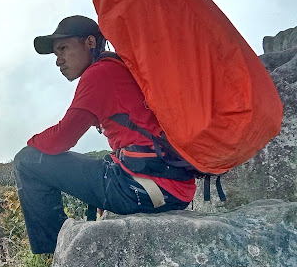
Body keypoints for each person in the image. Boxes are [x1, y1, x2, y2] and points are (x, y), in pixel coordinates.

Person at [13, 15, 196, 254]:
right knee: (104, 161)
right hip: (170, 187)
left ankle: (56, 249)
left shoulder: (99, 74)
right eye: (56, 54)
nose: (58, 61)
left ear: (90, 42)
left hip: (146, 190)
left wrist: (31, 145)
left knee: (26, 161)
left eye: (64, 48)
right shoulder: (117, 66)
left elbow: (61, 138)